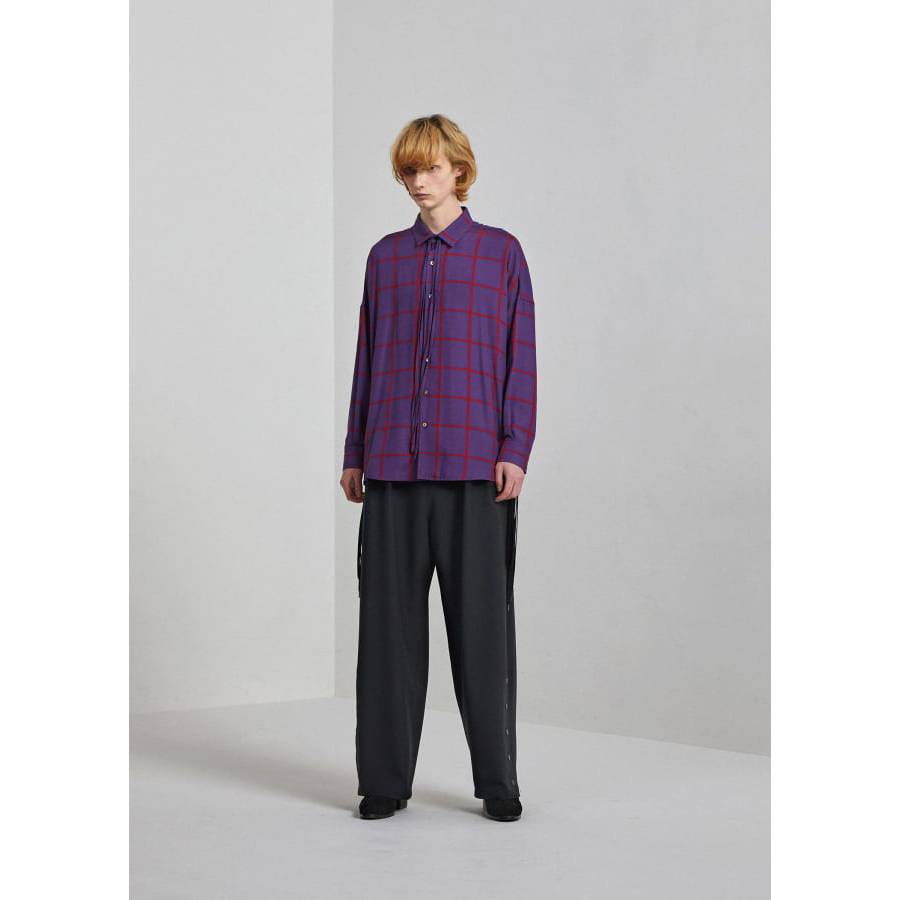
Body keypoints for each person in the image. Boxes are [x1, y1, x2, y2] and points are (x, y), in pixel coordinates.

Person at [339, 114, 537, 822]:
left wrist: (515, 446)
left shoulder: (500, 254)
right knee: (387, 639)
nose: (418, 182)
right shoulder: (384, 258)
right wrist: (355, 452)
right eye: (408, 171)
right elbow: (367, 361)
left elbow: (521, 359)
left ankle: (498, 783)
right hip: (392, 469)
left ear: (459, 170)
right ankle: (384, 781)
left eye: (429, 168)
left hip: (475, 472)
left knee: (482, 634)